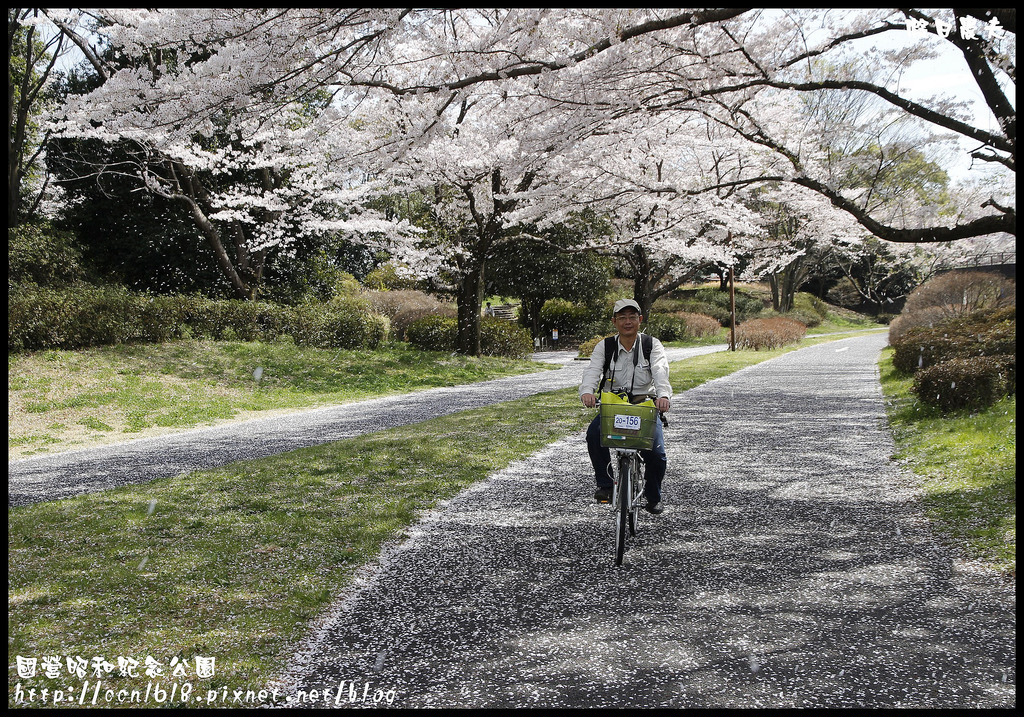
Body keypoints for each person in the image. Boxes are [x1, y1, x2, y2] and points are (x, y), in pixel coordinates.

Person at [579, 299, 672, 514]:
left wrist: (663, 396)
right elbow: (592, 371)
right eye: (622, 317)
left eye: (632, 317)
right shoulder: (605, 346)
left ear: (640, 320)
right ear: (614, 322)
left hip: (644, 406)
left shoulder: (651, 345)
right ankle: (605, 484)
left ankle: (652, 494)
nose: (627, 322)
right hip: (614, 407)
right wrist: (587, 392)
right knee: (594, 435)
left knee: (656, 454)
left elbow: (660, 371)